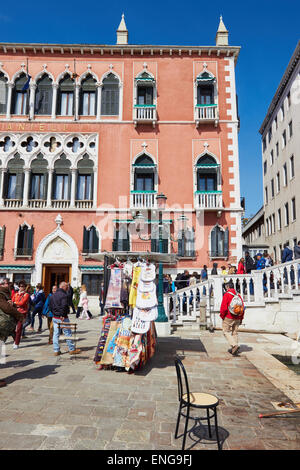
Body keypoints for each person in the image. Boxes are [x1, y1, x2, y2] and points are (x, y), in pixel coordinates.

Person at [0, 278, 25, 387]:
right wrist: (19, 316)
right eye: (7, 283)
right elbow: (6, 308)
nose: (9, 284)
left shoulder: (5, 294)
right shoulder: (1, 294)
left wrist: (11, 304)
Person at [49, 281, 81, 356]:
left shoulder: (53, 295)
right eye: (67, 286)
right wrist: (62, 315)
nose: (68, 288)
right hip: (62, 317)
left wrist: (54, 313)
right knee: (67, 332)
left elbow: (50, 306)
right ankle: (71, 349)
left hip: (55, 317)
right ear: (63, 287)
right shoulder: (64, 295)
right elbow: (64, 306)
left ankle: (56, 350)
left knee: (56, 333)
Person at [220, 281, 245, 356]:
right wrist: (241, 318)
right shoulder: (238, 295)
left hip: (229, 316)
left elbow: (224, 307)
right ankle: (235, 348)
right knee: (235, 333)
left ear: (227, 287)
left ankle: (234, 345)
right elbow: (242, 307)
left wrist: (222, 316)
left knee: (225, 331)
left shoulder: (227, 294)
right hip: (238, 316)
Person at [11, 280, 30, 349]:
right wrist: (15, 303)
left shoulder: (26, 295)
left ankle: (17, 343)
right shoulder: (16, 294)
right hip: (15, 312)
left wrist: (15, 303)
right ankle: (15, 340)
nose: (22, 288)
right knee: (12, 327)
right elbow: (12, 301)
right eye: (20, 286)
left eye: (23, 286)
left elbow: (22, 303)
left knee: (19, 328)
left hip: (22, 313)